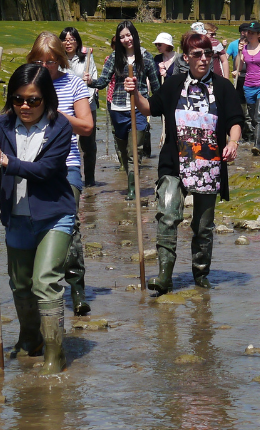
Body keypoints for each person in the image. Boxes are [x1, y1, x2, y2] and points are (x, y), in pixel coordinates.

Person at [0, 64, 77, 373]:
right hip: (15, 217)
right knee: (20, 285)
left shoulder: (60, 127)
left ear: (46, 98)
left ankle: (54, 353)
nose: (25, 106)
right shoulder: (1, 125)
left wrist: (7, 160)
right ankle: (29, 338)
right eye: (18, 99)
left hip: (54, 215)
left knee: (44, 281)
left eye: (33, 100)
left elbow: (46, 170)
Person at [126, 31, 244, 294]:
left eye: (208, 54)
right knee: (167, 215)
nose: (204, 59)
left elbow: (236, 121)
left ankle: (201, 276)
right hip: (174, 161)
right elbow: (149, 108)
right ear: (186, 57)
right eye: (197, 54)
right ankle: (164, 277)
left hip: (209, 164)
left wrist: (233, 142)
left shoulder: (224, 87)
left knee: (203, 226)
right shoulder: (174, 83)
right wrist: (135, 93)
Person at [26, 32, 94, 316]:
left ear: (61, 61)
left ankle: (77, 289)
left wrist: (56, 112)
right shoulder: (27, 83)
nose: (46, 67)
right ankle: (37, 287)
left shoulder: (73, 83)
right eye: (40, 61)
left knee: (69, 226)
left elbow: (86, 126)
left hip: (67, 165)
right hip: (29, 165)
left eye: (52, 62)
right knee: (31, 225)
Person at [90, 20, 160, 200]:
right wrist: (90, 81)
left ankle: (132, 188)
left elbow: (156, 87)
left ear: (135, 35)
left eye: (129, 35)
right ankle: (129, 178)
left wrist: (156, 105)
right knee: (122, 147)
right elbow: (103, 81)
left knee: (134, 151)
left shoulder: (146, 57)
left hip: (139, 108)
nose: (126, 39)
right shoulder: (115, 57)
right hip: (118, 108)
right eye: (122, 37)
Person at [60, 26, 98, 187]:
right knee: (67, 143)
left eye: (71, 40)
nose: (68, 43)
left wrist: (89, 81)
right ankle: (69, 178)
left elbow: (95, 79)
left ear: (77, 41)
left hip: (87, 104)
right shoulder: (58, 61)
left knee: (88, 145)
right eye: (65, 40)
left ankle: (89, 179)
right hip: (65, 107)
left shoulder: (86, 58)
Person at [236, 20, 260, 154]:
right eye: (248, 32)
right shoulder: (245, 49)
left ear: (259, 34)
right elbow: (239, 67)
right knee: (253, 118)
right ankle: (257, 139)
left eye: (252, 33)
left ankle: (257, 146)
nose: (249, 34)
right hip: (248, 86)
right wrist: (239, 52)